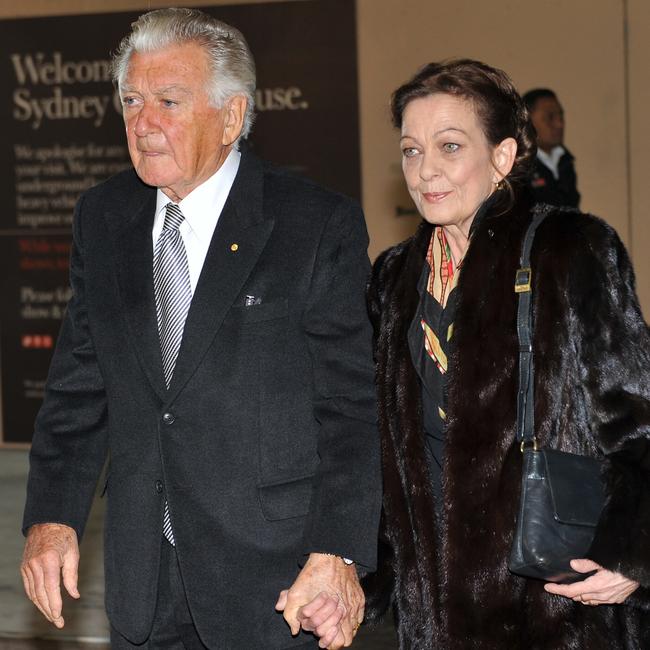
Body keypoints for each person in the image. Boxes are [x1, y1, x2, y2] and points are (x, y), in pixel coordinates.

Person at [20, 8, 380, 649]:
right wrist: (52, 516)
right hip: (142, 579)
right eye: (131, 100)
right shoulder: (102, 218)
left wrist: (338, 551)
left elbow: (350, 408)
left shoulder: (313, 225)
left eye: (167, 101)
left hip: (276, 585)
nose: (142, 122)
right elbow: (79, 385)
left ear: (232, 118)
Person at [362, 59, 650, 648]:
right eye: (411, 151)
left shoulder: (571, 252)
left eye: (449, 146)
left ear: (502, 156)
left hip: (561, 608)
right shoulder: (394, 280)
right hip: (436, 616)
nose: (425, 171)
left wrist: (634, 553)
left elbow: (639, 424)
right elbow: (385, 449)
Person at [523, 87, 580, 208]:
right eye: (550, 117)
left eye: (560, 116)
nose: (560, 124)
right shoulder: (518, 166)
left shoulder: (564, 160)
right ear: (528, 121)